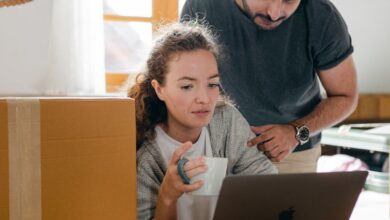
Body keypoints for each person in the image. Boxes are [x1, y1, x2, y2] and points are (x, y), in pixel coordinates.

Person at [181, 0, 358, 173]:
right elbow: (187, 82)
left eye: (289, 1)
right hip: (216, 147)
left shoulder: (322, 15)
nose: (274, 13)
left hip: (291, 152)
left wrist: (296, 132)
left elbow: (345, 97)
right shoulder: (201, 5)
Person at [128, 22, 277, 220]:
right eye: (187, 86)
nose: (204, 98)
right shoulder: (144, 154)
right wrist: (168, 196)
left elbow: (267, 185)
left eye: (212, 84)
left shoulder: (227, 122)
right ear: (159, 89)